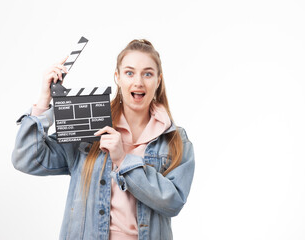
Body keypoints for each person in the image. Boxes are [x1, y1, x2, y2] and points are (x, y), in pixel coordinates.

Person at [12, 39, 195, 240]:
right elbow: (27, 159)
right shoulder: (90, 127)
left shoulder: (175, 140)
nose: (138, 82)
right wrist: (43, 101)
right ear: (117, 77)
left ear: (158, 80)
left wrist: (124, 160)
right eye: (129, 72)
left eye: (148, 74)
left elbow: (174, 201)